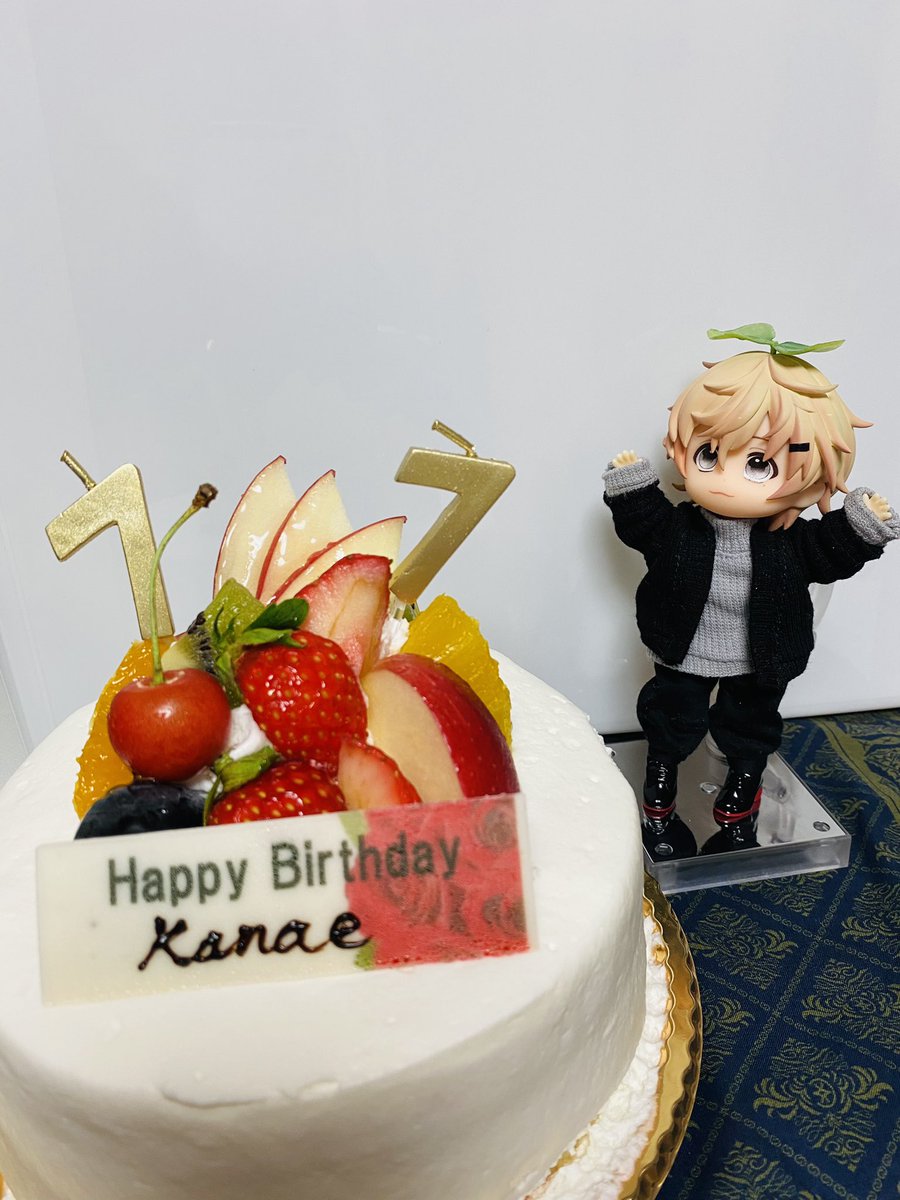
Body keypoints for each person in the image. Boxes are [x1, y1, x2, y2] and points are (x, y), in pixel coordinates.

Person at [604, 342, 899, 858]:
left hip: (761, 656)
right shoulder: (681, 529)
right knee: (672, 715)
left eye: (759, 463)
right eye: (708, 454)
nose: (724, 479)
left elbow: (829, 552)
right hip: (684, 647)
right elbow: (646, 527)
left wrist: (860, 525)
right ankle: (660, 778)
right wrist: (633, 489)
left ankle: (742, 786)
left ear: (812, 473)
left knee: (750, 724)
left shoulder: (790, 541)